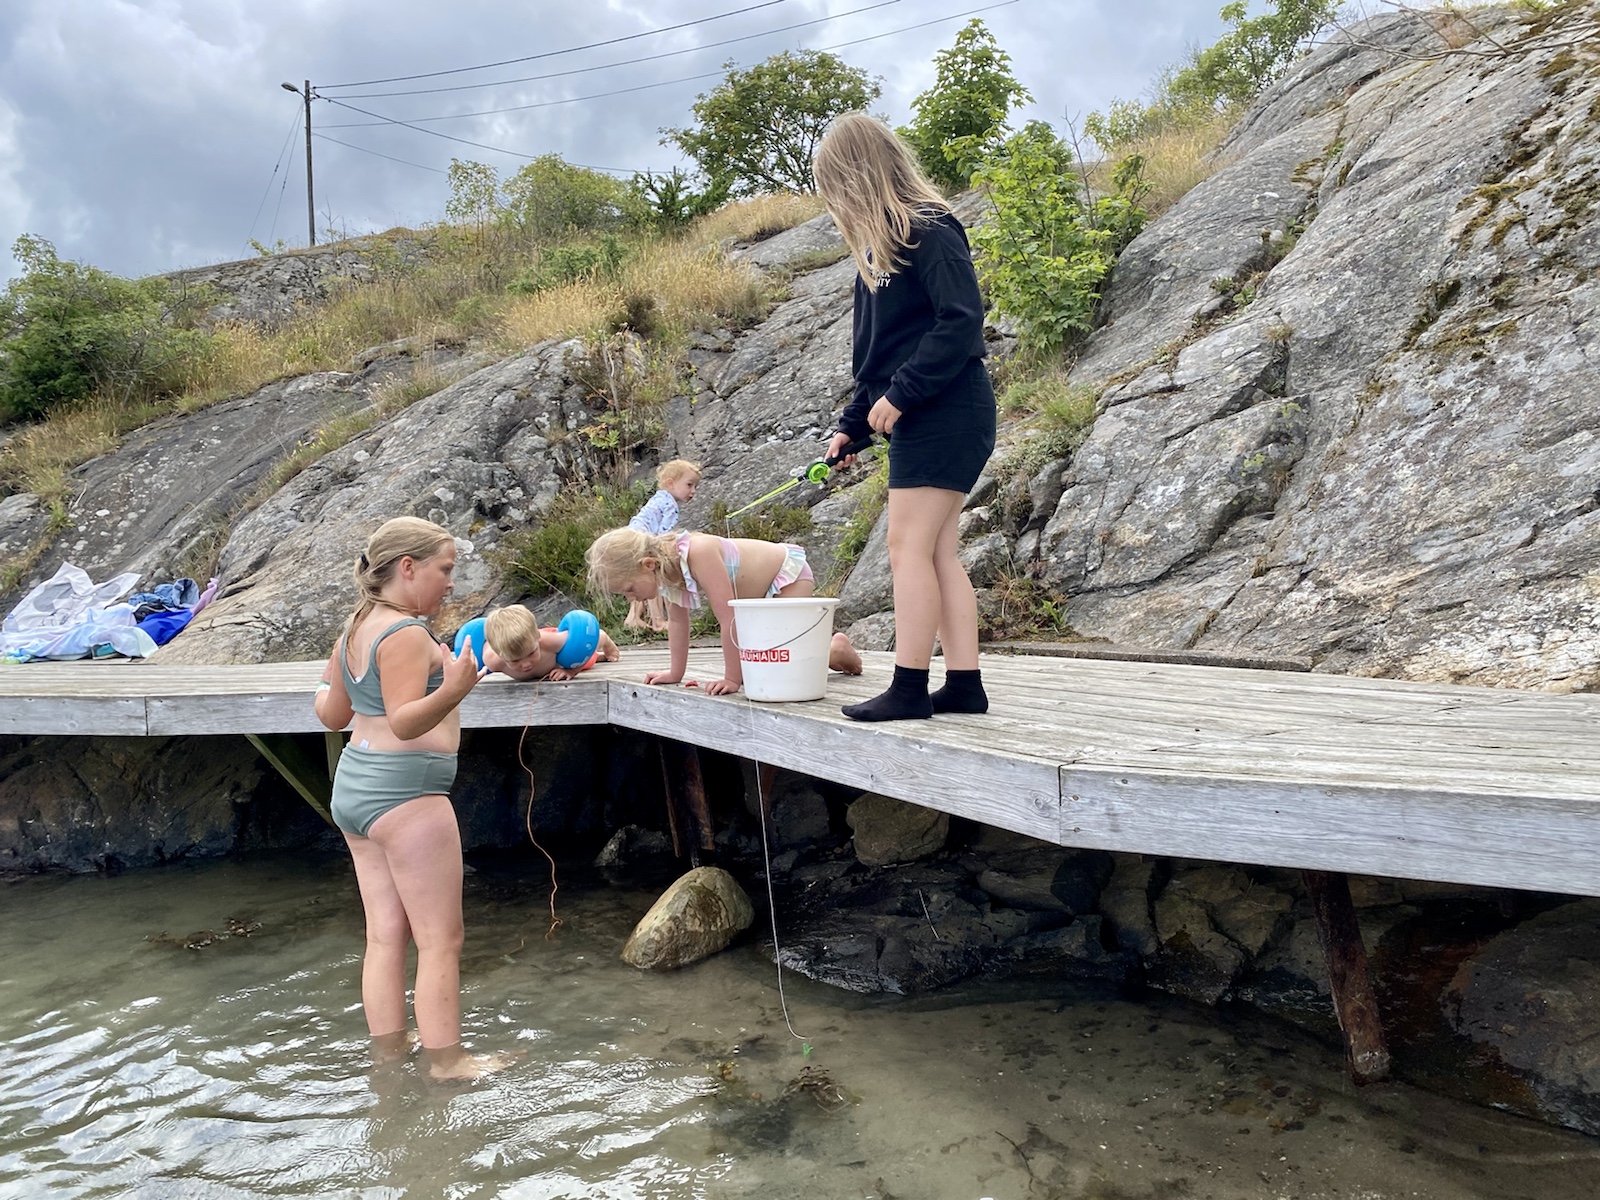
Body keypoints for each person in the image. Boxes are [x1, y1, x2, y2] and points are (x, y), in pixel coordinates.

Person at [815, 112, 997, 722]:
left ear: (855, 174)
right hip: (924, 410)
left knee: (906, 548)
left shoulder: (930, 228)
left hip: (949, 408)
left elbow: (961, 320)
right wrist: (853, 424)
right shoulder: (875, 252)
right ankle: (964, 685)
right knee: (938, 551)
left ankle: (909, 687)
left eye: (834, 183)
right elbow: (878, 358)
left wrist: (902, 395)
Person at [313, 517, 509, 1081]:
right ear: (407, 567)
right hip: (405, 794)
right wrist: (456, 687)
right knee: (441, 940)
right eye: (444, 569)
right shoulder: (405, 633)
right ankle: (447, 1063)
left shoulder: (356, 627)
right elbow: (403, 721)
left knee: (384, 934)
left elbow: (332, 714)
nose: (450, 582)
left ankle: (390, 1052)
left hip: (356, 788)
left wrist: (328, 683)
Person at [586, 527, 863, 697]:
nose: (631, 598)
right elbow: (678, 623)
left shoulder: (698, 552)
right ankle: (827, 651)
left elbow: (728, 617)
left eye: (629, 589)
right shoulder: (666, 571)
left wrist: (732, 678)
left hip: (786, 576)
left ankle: (836, 650)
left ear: (648, 564)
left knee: (785, 660)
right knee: (768, 662)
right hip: (756, 598)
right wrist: (675, 672)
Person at [624, 459, 701, 633]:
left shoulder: (659, 498)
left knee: (640, 577)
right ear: (670, 483)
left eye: (695, 486)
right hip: (644, 541)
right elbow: (663, 536)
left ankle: (633, 617)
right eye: (689, 485)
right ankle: (658, 621)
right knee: (655, 578)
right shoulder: (670, 505)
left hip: (631, 538)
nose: (693, 491)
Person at [481, 603, 621, 681]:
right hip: (535, 646)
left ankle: (605, 639)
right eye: (514, 660)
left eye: (531, 653)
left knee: (586, 657)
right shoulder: (493, 660)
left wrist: (571, 670)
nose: (526, 664)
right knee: (593, 658)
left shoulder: (548, 642)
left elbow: (583, 644)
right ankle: (600, 657)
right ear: (499, 653)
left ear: (537, 636)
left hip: (562, 655)